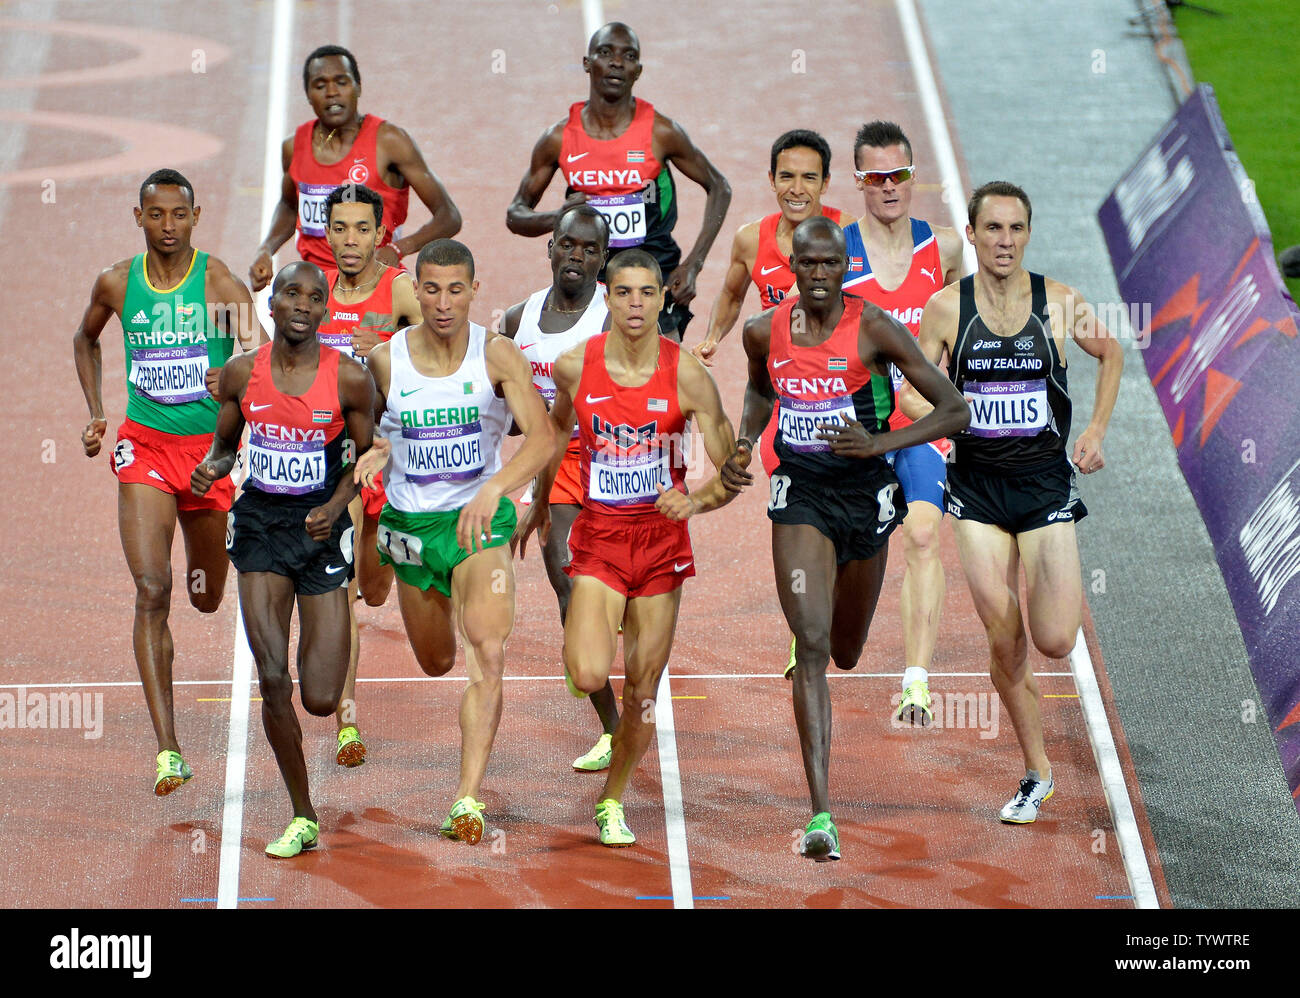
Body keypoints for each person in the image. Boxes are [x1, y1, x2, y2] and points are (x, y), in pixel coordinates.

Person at [722, 217, 969, 861]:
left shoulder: (875, 327)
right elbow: (757, 386)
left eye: (833, 265)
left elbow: (953, 408)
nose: (821, 276)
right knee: (810, 641)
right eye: (810, 265)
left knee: (847, 650)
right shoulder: (764, 331)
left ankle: (833, 615)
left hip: (865, 499)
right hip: (801, 496)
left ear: (845, 267)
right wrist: (745, 442)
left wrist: (879, 443)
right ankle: (822, 815)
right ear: (794, 268)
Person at [515, 248, 745, 848]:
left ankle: (612, 798)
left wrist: (694, 501)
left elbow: (731, 474)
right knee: (590, 669)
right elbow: (557, 433)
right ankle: (596, 648)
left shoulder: (688, 374)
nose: (636, 304)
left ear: (662, 298)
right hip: (600, 537)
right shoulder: (575, 366)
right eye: (624, 293)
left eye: (647, 292)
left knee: (643, 689)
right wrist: (538, 505)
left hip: (662, 542)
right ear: (606, 297)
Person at [908, 181, 1123, 823]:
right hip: (975, 492)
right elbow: (912, 391)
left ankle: (1031, 700)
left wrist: (1095, 430)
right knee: (1005, 639)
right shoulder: (946, 309)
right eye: (993, 229)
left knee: (1055, 639)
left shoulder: (1057, 302)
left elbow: (1111, 352)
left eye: (1016, 228)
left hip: (1045, 486)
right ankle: (1037, 771)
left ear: (1028, 233)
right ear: (970, 235)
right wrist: (950, 416)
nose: (1005, 241)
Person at [353, 239, 554, 844]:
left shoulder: (497, 355)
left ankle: (467, 799)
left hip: (477, 527)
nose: (443, 302)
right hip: (411, 529)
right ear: (416, 289)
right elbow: (359, 431)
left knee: (487, 652)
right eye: (431, 289)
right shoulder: (386, 362)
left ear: (474, 289)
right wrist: (370, 453)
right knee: (437, 661)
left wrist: (498, 489)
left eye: (455, 289)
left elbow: (543, 439)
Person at [73, 168, 262, 796]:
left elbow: (258, 348)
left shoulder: (215, 279)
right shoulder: (115, 283)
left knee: (205, 596)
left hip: (207, 457)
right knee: (152, 590)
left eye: (179, 215)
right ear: (139, 218)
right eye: (156, 215)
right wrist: (97, 412)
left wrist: (231, 377)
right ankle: (169, 749)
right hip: (145, 448)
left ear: (197, 216)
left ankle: (195, 588)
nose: (168, 227)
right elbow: (86, 338)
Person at [192, 261, 375, 857]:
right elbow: (224, 448)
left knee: (319, 695)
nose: (301, 303)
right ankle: (303, 812)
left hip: (320, 529)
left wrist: (340, 502)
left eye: (313, 296)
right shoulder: (243, 374)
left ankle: (322, 683)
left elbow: (368, 460)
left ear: (325, 308)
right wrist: (212, 470)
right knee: (272, 676)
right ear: (272, 306)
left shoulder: (349, 379)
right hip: (260, 529)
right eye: (290, 293)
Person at [838, 120, 965, 719]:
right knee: (849, 548)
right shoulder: (835, 251)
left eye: (901, 175)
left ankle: (916, 678)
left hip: (917, 428)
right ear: (859, 180)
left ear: (914, 176)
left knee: (920, 533)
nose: (890, 187)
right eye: (877, 177)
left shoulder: (943, 249)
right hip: (857, 424)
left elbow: (971, 324)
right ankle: (820, 624)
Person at [505, 21, 731, 343]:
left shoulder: (661, 132)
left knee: (661, 375)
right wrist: (556, 218)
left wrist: (694, 264)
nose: (616, 62)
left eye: (628, 56)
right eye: (605, 52)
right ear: (587, 63)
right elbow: (516, 214)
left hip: (654, 271)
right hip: (588, 277)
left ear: (637, 70)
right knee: (590, 374)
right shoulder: (559, 138)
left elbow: (719, 187)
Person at [501, 204, 619, 772]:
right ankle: (615, 729)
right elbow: (497, 403)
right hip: (556, 463)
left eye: (589, 249)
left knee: (617, 593)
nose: (576, 255)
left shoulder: (612, 317)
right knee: (568, 586)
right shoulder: (517, 319)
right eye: (567, 244)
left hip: (615, 459)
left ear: (602, 259)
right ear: (550, 248)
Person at [316, 182, 422, 768]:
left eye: (362, 229)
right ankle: (348, 719)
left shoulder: (401, 291)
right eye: (340, 228)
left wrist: (389, 346)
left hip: (398, 458)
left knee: (376, 587)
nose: (350, 240)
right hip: (340, 459)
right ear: (326, 232)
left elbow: (443, 349)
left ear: (381, 234)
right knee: (344, 589)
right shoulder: (313, 292)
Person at [249, 45, 461, 290]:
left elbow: (449, 216)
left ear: (358, 87)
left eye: (341, 82)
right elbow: (288, 204)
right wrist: (266, 248)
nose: (331, 93)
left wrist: (397, 249)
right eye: (320, 86)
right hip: (319, 291)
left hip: (376, 286)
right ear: (307, 94)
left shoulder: (390, 142)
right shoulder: (293, 147)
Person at [694, 128, 847, 366]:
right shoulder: (751, 239)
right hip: (778, 375)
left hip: (837, 374)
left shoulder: (848, 234)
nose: (796, 189)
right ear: (771, 180)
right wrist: (712, 338)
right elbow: (731, 296)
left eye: (809, 177)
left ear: (825, 183)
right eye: (786, 176)